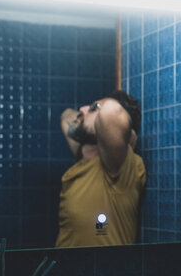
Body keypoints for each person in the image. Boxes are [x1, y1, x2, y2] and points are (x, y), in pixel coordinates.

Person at [55, 90, 146, 247]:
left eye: (93, 108)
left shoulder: (119, 167)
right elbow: (66, 116)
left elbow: (112, 111)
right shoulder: (83, 158)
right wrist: (89, 115)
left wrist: (125, 132)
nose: (82, 109)